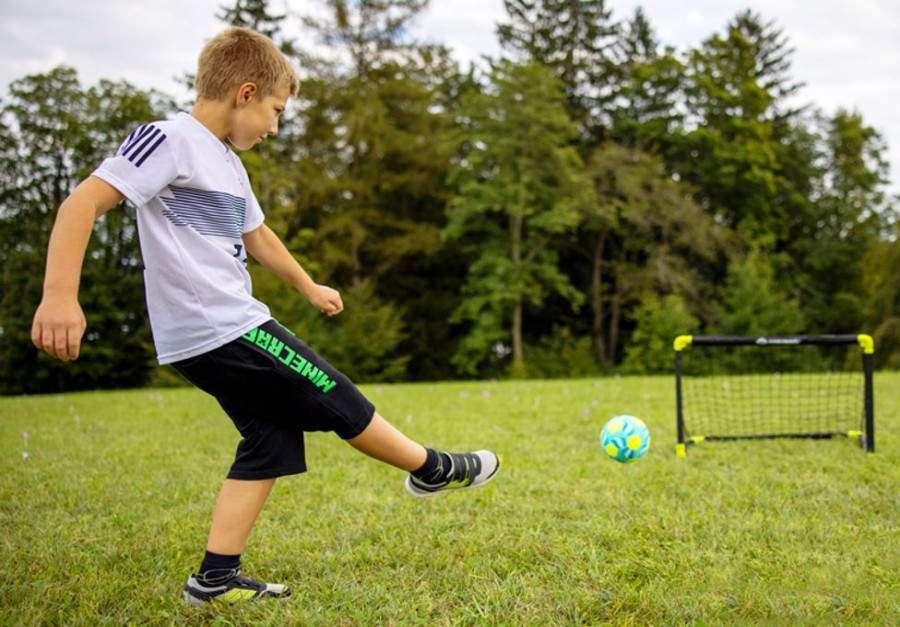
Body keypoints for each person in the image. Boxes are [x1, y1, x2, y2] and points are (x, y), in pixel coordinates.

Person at [30, 26, 499, 606]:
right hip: (220, 326)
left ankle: (214, 580)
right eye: (276, 111)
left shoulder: (227, 163)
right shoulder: (168, 138)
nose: (275, 127)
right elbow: (83, 202)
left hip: (219, 328)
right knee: (332, 391)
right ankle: (431, 467)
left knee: (271, 438)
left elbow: (257, 236)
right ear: (245, 92)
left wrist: (307, 286)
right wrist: (58, 294)